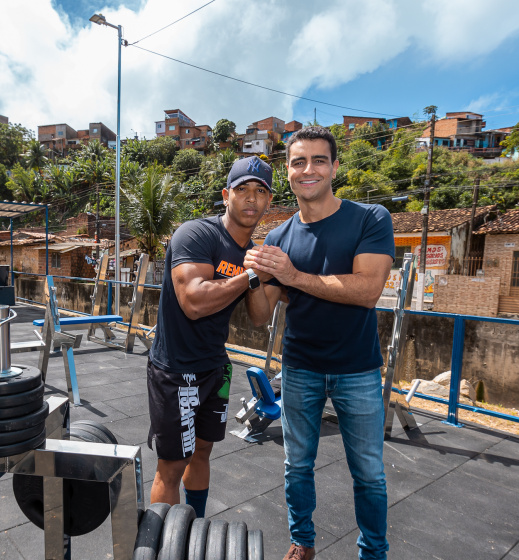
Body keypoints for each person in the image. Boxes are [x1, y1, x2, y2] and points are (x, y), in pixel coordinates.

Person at [244, 126, 394, 560]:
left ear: (334, 167)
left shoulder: (370, 218)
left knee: (369, 473)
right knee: (296, 466)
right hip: (300, 368)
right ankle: (302, 541)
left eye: (318, 160)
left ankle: (374, 552)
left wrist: (293, 277)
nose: (308, 170)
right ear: (288, 172)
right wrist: (256, 275)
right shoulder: (278, 237)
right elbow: (259, 316)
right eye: (298, 162)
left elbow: (368, 290)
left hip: (358, 369)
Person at [146, 155, 275, 517]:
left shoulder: (251, 253)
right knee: (172, 465)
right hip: (175, 370)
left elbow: (260, 317)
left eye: (260, 191)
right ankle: (164, 546)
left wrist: (259, 275)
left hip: (214, 367)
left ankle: (194, 528)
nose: (251, 198)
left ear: (268, 202)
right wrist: (249, 277)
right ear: (226, 195)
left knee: (202, 451)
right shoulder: (197, 234)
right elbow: (193, 301)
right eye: (242, 189)